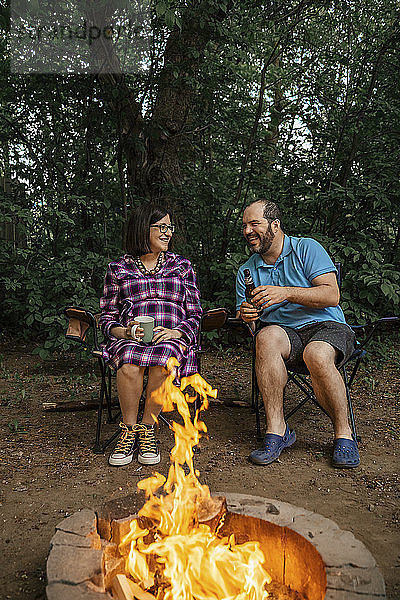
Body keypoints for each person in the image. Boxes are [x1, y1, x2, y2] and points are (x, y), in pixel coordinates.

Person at [236, 199, 359, 468]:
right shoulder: (247, 270)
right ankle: (277, 431)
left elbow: (332, 294)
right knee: (265, 337)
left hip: (327, 327)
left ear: (275, 225)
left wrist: (286, 291)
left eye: (254, 223)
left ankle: (344, 433)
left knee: (316, 353)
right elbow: (249, 325)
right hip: (285, 335)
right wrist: (247, 317)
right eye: (244, 225)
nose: (247, 231)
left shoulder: (306, 248)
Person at [99, 203, 202, 467]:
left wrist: (176, 331)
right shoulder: (118, 268)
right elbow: (107, 315)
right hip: (132, 337)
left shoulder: (182, 266)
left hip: (171, 337)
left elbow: (195, 313)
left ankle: (147, 430)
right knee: (130, 362)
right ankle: (128, 431)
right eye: (162, 227)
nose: (168, 233)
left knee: (163, 360)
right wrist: (124, 331)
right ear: (143, 229)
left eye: (170, 228)